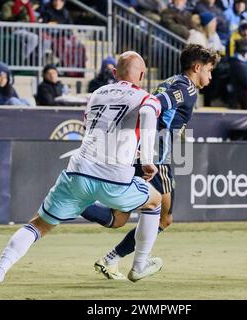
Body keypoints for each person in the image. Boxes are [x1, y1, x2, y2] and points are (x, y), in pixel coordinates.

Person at [0, 51, 163, 292]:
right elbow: (146, 114)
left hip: (78, 172)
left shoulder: (96, 94)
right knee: (154, 201)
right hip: (115, 178)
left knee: (37, 225)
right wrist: (146, 159)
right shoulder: (147, 97)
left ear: (114, 73)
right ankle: (139, 265)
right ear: (143, 75)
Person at [80, 44, 221, 280]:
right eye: (209, 69)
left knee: (118, 218)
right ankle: (128, 263)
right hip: (156, 159)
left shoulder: (172, 81)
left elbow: (158, 110)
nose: (210, 75)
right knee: (164, 217)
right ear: (197, 67)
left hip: (139, 153)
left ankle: (81, 208)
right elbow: (154, 106)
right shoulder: (185, 87)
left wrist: (174, 130)